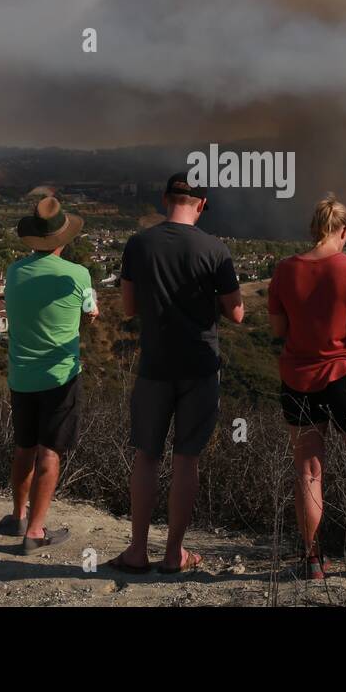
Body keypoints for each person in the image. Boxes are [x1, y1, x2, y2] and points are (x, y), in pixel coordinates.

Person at [107, 173, 243, 575]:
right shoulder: (215, 249)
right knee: (187, 459)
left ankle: (136, 551)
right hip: (200, 368)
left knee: (146, 456)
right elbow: (236, 313)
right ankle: (173, 554)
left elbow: (129, 308)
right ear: (202, 204)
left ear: (166, 199)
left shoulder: (138, 244)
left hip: (154, 365)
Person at [266, 194, 346, 584]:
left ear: (314, 229)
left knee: (308, 472)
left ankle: (312, 561)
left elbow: (278, 330)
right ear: (345, 231)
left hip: (298, 382)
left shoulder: (284, 271)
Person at [0, 197, 97, 551]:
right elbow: (89, 314)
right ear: (63, 237)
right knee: (50, 452)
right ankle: (36, 532)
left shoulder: (14, 272)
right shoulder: (79, 275)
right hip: (60, 377)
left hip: (20, 375)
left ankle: (17, 516)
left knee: (23, 447)